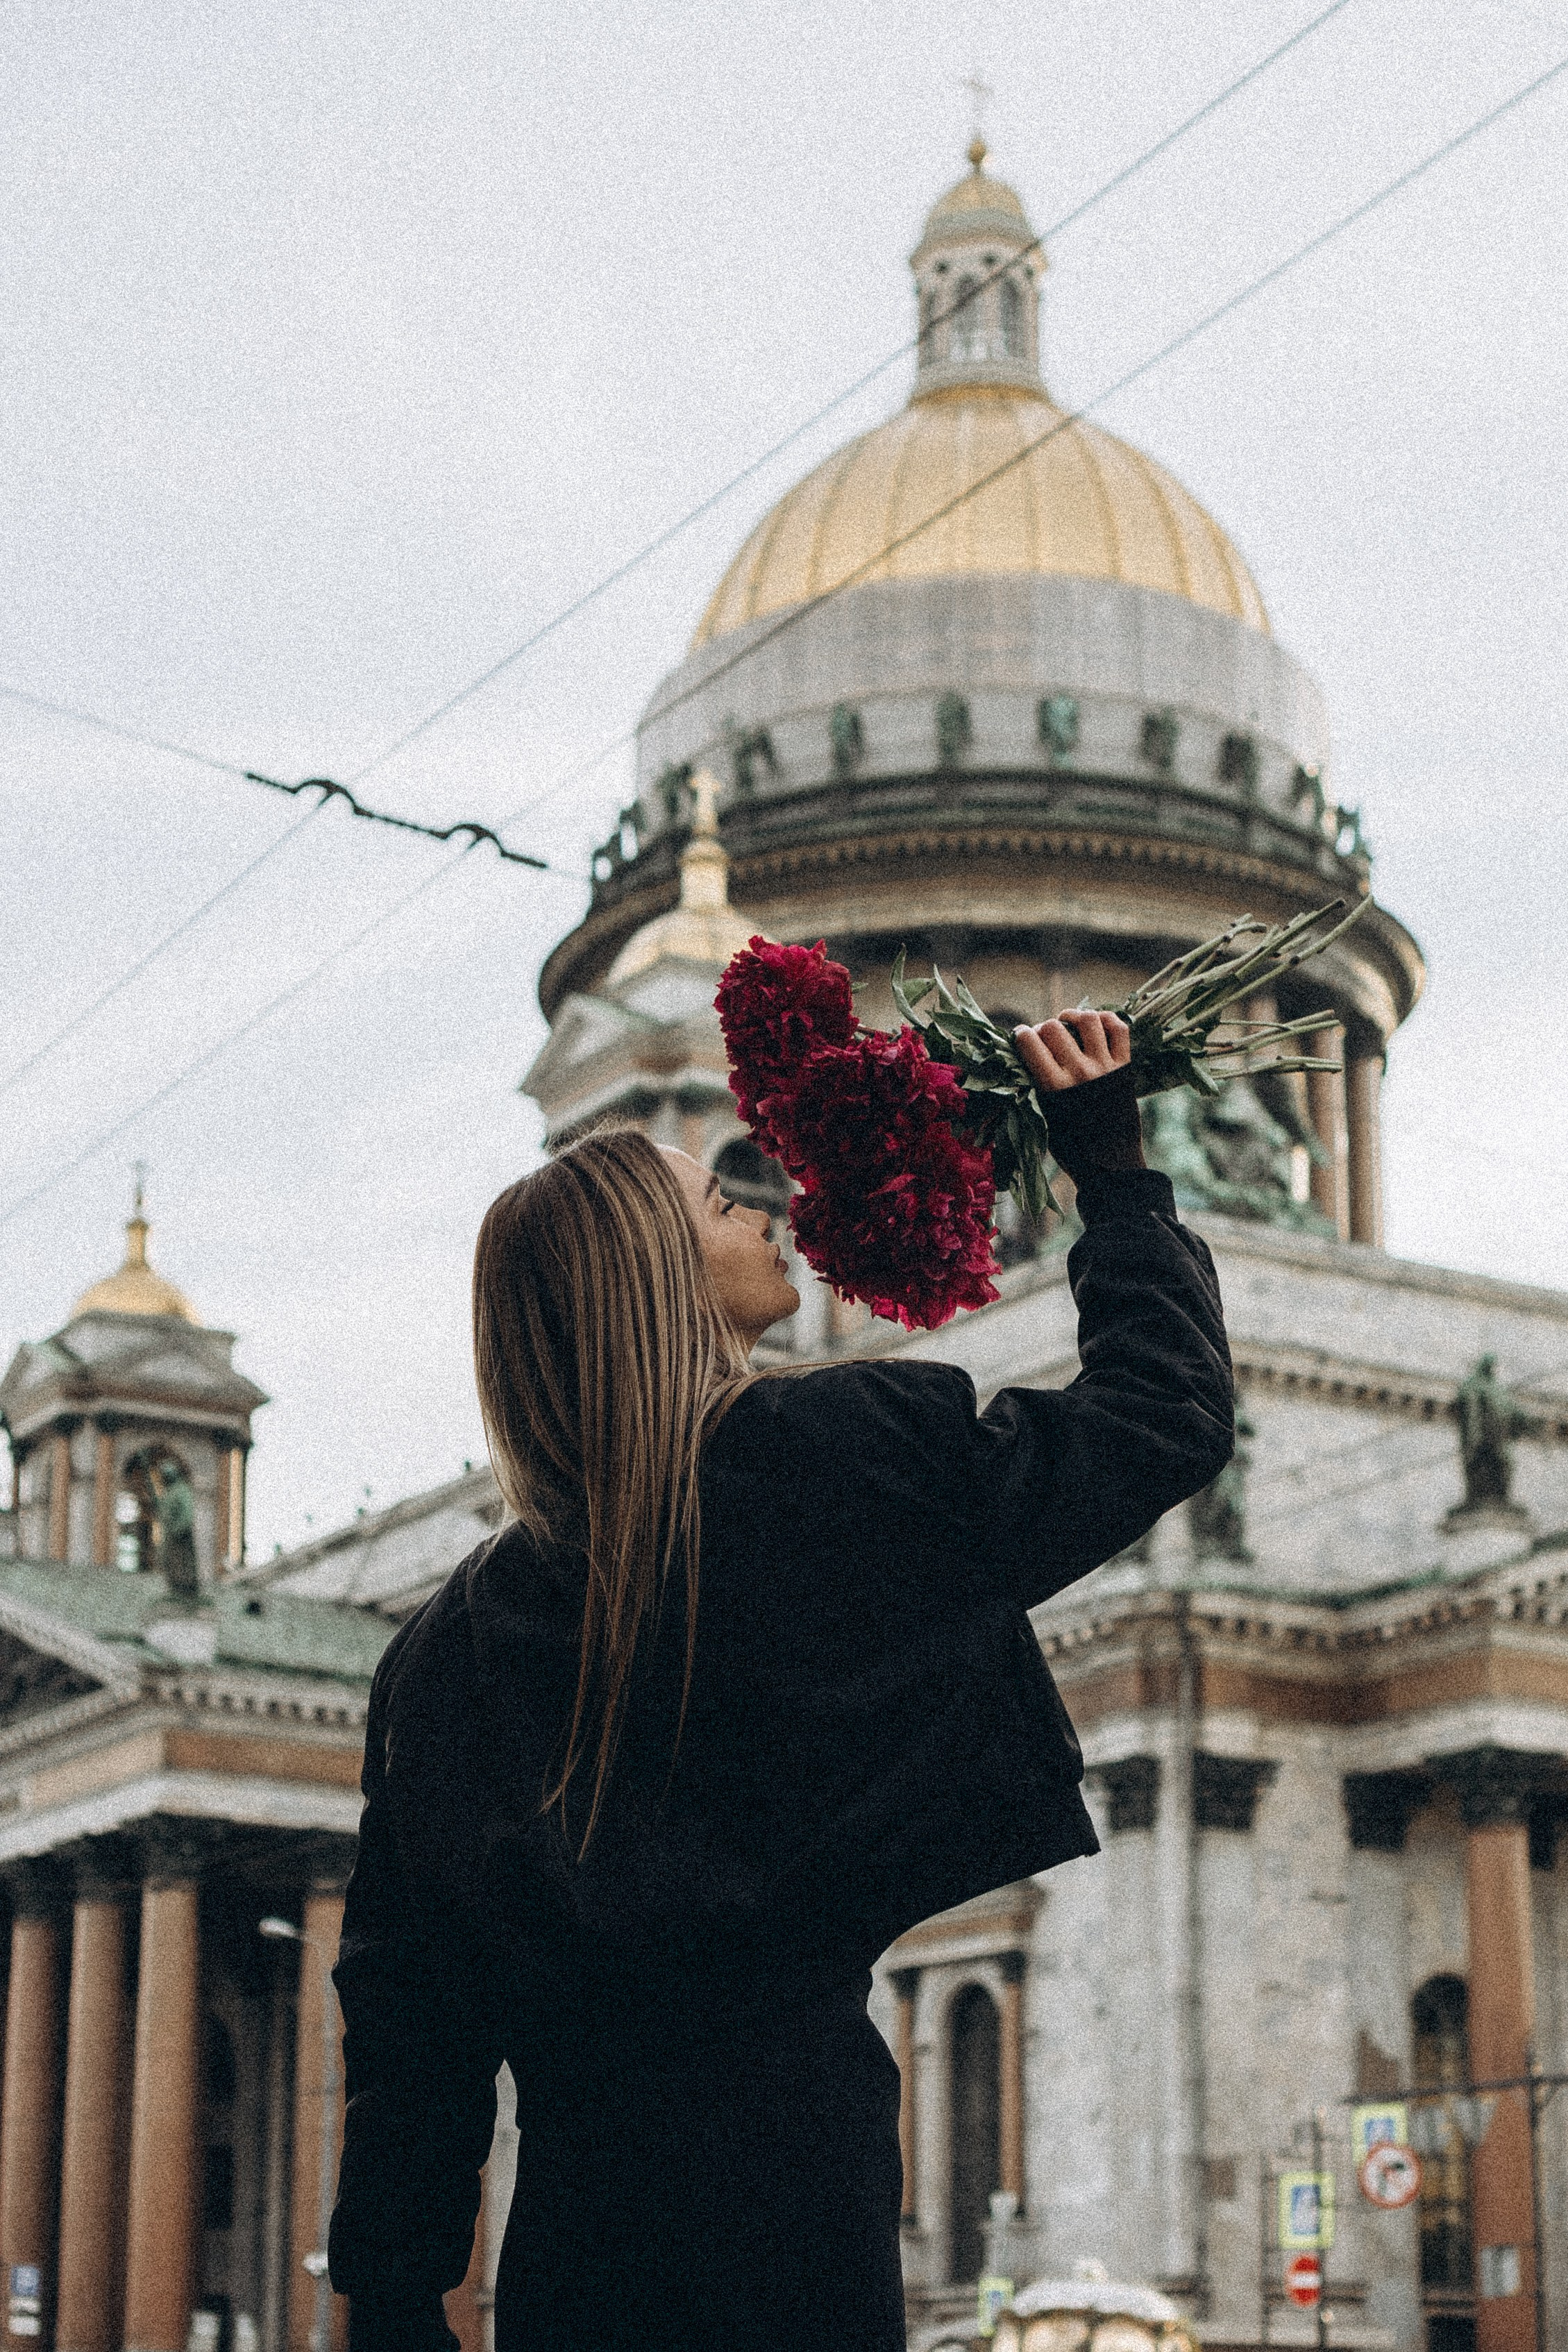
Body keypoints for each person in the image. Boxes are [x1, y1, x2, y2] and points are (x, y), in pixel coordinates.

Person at [328, 1010, 1233, 2351]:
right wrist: (1112, 1174)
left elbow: (410, 2032)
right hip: (797, 2173)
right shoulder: (835, 1462)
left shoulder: (441, 1654)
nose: (759, 1209)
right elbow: (1164, 1416)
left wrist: (397, 2306)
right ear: (656, 1276)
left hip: (578, 2228)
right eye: (716, 1196)